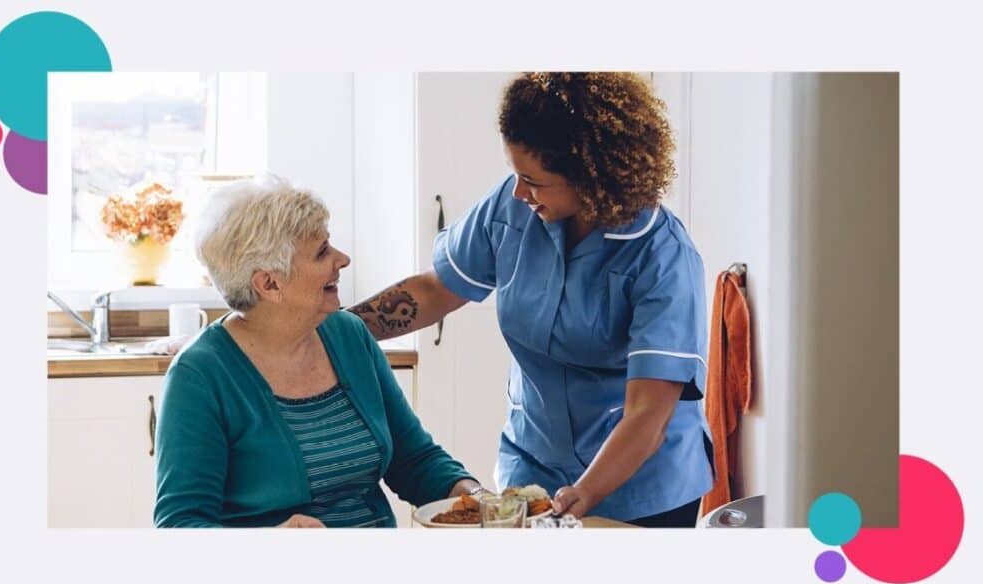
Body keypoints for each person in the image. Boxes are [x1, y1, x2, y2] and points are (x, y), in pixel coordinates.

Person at [350, 72, 714, 527]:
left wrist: (586, 492)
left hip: (640, 487)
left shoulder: (663, 257)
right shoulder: (512, 205)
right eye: (515, 175)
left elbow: (648, 415)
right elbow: (436, 289)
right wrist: (336, 328)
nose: (519, 192)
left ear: (590, 177)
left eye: (533, 181)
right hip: (534, 465)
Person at [154, 174, 483, 528]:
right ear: (270, 283)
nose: (342, 260)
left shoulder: (349, 335)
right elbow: (180, 524)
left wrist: (474, 497)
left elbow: (414, 460)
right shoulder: (201, 375)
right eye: (322, 251)